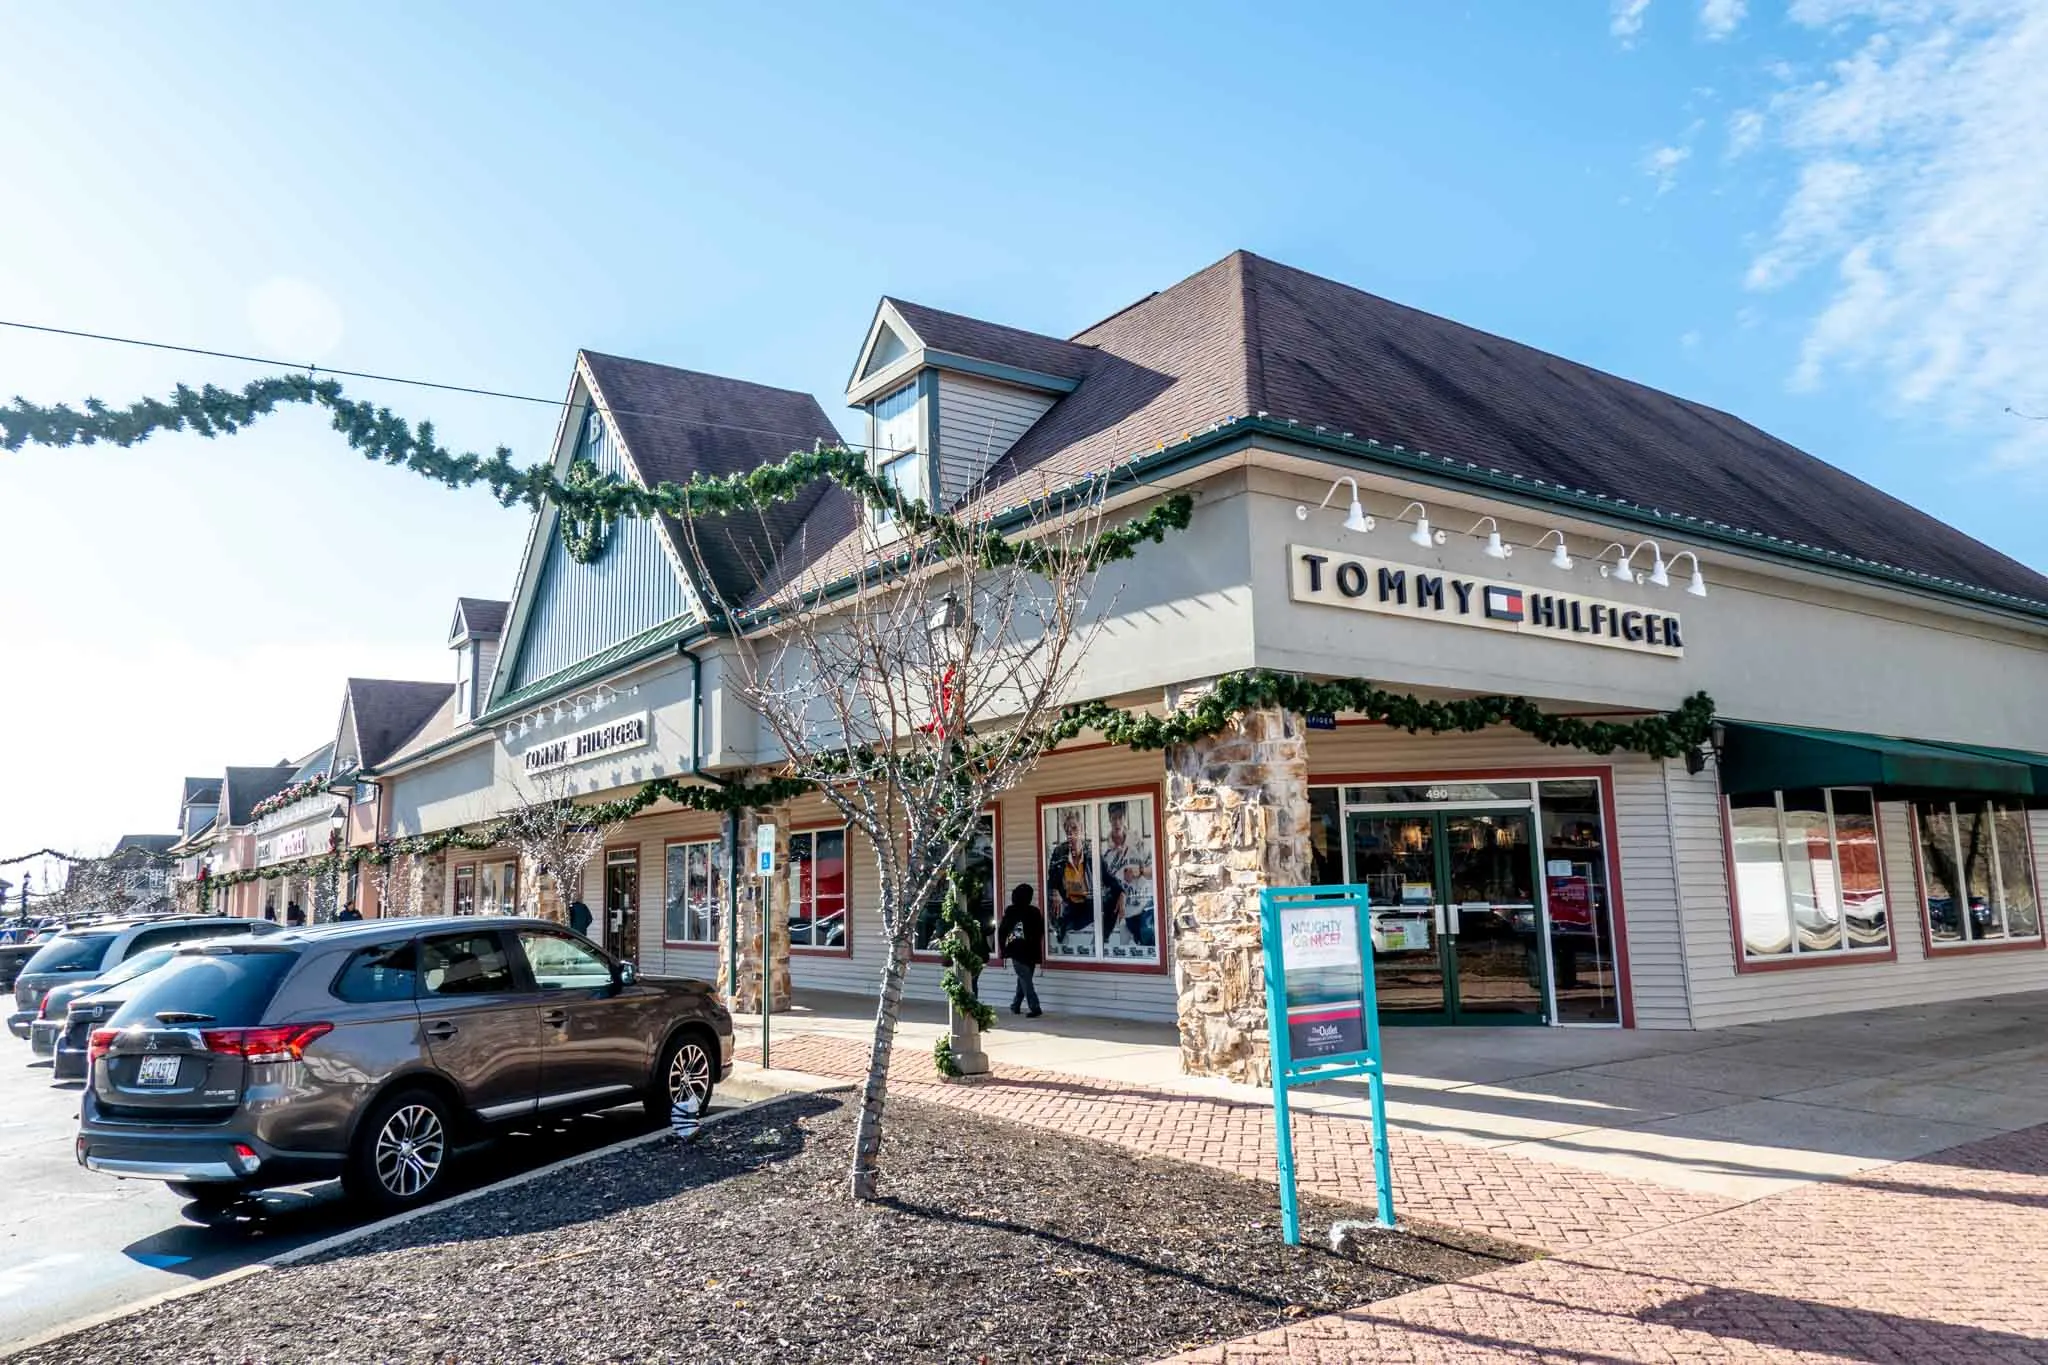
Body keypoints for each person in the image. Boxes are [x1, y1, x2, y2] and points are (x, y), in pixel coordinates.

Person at [997, 883, 1045, 1017]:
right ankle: (1025, 1006)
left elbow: (1003, 931)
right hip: (1032, 950)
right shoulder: (1034, 911)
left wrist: (1003, 949)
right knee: (1025, 978)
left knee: (1024, 979)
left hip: (1017, 950)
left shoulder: (1011, 911)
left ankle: (1023, 1006)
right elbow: (1040, 931)